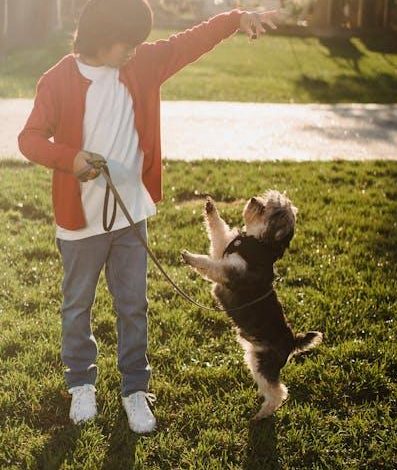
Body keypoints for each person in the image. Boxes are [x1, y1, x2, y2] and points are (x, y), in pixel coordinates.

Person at [17, 0, 279, 434]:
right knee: (77, 306)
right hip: (79, 223)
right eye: (129, 41)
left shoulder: (142, 65)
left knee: (133, 306)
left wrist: (235, 18)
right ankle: (82, 383)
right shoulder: (58, 80)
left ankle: (135, 389)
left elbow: (192, 41)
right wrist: (70, 158)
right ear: (102, 37)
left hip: (130, 217)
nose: (136, 50)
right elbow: (29, 139)